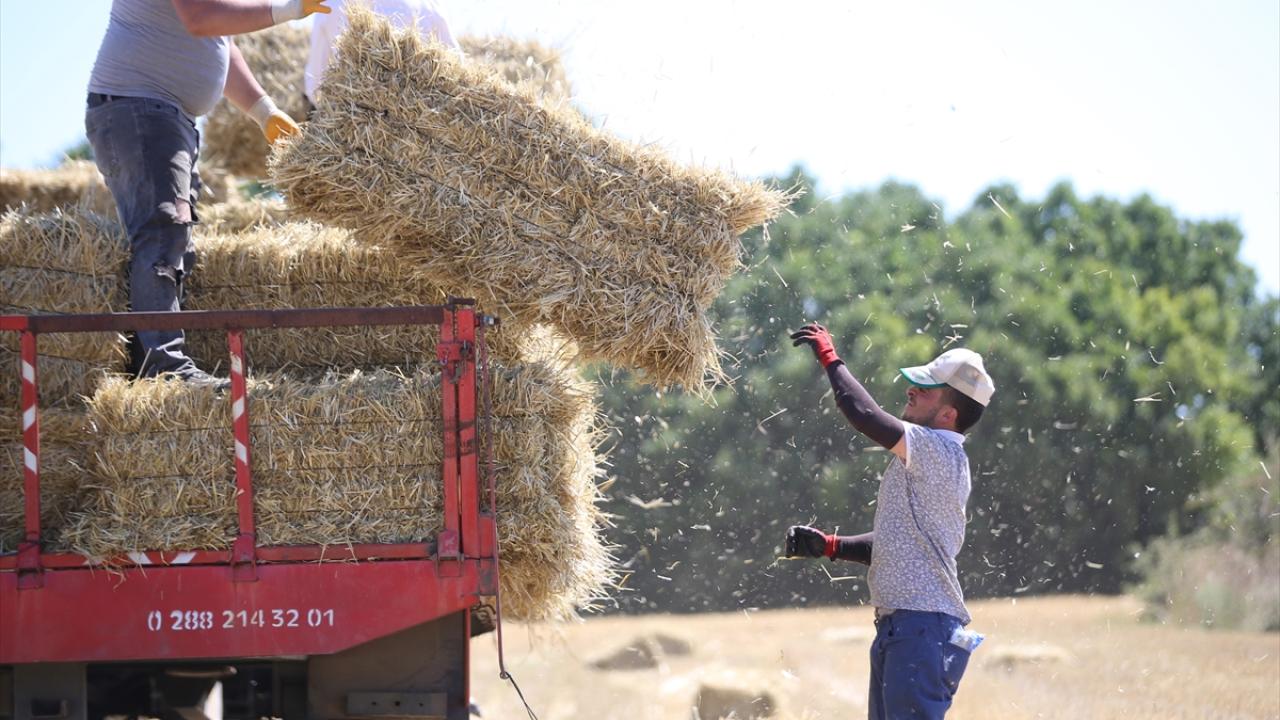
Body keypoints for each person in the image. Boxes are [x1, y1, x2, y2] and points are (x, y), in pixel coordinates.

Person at [85, 0, 331, 385]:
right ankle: (163, 369)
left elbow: (221, 42)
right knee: (163, 232)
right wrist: (287, 10)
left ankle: (158, 364)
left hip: (165, 116)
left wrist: (264, 111)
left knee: (175, 241)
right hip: (141, 109)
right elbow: (202, 20)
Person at [785, 323, 994, 720]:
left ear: (949, 414)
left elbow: (864, 414)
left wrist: (830, 359)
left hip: (921, 631)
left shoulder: (939, 452)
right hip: (905, 629)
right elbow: (896, 543)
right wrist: (831, 546)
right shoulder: (927, 458)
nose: (911, 390)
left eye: (926, 389)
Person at [304, 0, 460, 111]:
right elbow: (457, 67)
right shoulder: (428, 4)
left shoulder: (329, 5)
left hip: (355, 125)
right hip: (421, 124)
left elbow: (315, 83)